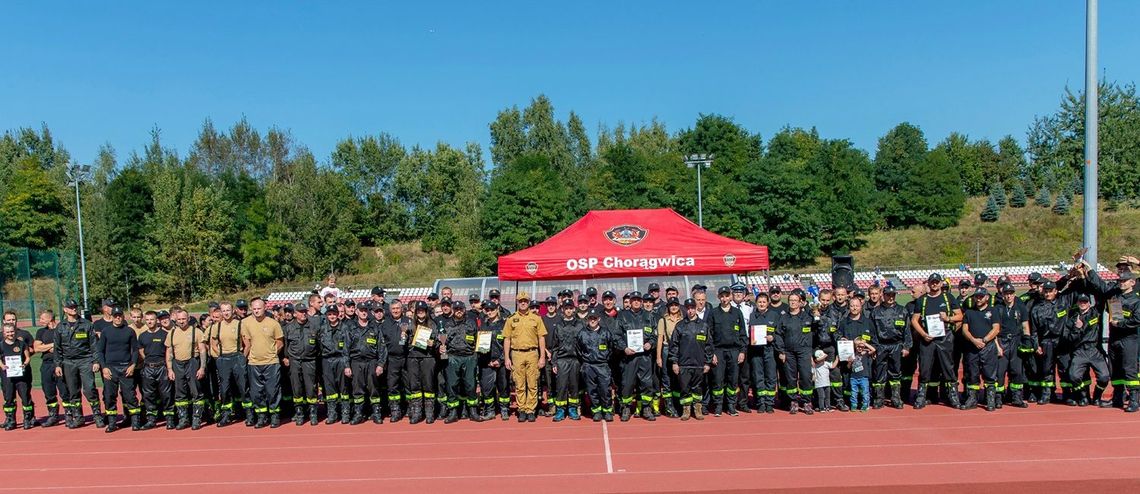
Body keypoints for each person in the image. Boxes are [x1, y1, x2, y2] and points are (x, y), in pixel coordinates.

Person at [1084, 269, 1140, 411]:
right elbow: (1101, 285)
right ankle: (1117, 398)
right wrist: (1089, 270)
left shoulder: (1136, 300)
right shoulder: (1114, 296)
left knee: (1130, 369)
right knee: (1115, 369)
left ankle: (1134, 399)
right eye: (1119, 281)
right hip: (1114, 338)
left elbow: (1137, 319)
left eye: (1124, 281)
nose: (1121, 283)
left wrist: (1121, 323)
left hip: (1129, 339)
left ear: (1132, 282)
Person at [910, 273, 963, 409]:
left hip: (945, 338)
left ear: (940, 283)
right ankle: (921, 396)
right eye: (932, 282)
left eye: (937, 282)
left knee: (948, 367)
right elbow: (914, 320)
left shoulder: (948, 298)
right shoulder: (922, 300)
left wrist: (948, 318)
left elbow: (959, 316)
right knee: (925, 368)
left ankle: (953, 396)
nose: (934, 284)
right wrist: (923, 334)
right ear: (928, 283)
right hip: (927, 339)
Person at [54, 300, 105, 428]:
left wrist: (96, 361)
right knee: (73, 391)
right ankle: (78, 417)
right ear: (65, 309)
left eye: (75, 307)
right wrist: (58, 365)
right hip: (68, 362)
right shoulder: (60, 326)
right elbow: (57, 348)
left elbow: (94, 345)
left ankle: (97, 415)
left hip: (85, 360)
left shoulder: (87, 324)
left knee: (89, 389)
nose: (73, 309)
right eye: (70, 307)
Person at [503, 292, 548, 422]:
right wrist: (507, 357)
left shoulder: (536, 318)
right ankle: (521, 409)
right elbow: (507, 339)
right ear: (517, 302)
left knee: (533, 383)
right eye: (520, 301)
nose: (523, 303)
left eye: (525, 301)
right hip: (516, 354)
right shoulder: (511, 319)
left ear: (529, 302)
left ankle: (530, 409)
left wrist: (542, 357)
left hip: (532, 353)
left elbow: (541, 338)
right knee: (519, 384)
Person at [1063, 293, 1112, 408]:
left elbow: (1101, 298)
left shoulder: (1096, 313)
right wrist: (1077, 328)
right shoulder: (1072, 319)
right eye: (1081, 301)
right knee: (1073, 376)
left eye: (1085, 301)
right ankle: (1083, 396)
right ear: (1077, 303)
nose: (1083, 304)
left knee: (1104, 377)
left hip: (1094, 350)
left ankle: (1096, 397)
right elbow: (1068, 338)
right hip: (1079, 351)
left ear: (1089, 303)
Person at [96, 307, 140, 432]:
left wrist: (133, 365)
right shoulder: (106, 331)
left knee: (130, 396)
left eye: (120, 315)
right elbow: (100, 351)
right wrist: (104, 367)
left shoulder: (129, 331)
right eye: (115, 316)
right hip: (110, 368)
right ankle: (111, 423)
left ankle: (135, 421)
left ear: (123, 316)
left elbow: (135, 350)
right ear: (112, 317)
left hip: (126, 367)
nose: (118, 318)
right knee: (109, 396)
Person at [242, 298, 285, 428]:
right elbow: (246, 343)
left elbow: (280, 342)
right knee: (256, 392)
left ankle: (274, 415)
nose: (256, 311)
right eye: (254, 309)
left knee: (272, 390)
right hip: (254, 363)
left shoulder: (273, 323)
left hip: (271, 362)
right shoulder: (245, 323)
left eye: (259, 308)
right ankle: (261, 416)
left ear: (264, 308)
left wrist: (272, 353)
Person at [616, 291, 657, 421]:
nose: (636, 302)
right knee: (627, 383)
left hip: (645, 357)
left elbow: (655, 335)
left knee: (646, 383)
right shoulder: (622, 316)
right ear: (630, 301)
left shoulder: (649, 316)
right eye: (634, 300)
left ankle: (646, 407)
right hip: (629, 357)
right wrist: (624, 348)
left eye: (639, 300)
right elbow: (616, 336)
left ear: (642, 301)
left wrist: (651, 343)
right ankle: (626, 408)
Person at [669, 299, 713, 421]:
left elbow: (709, 345)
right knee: (685, 388)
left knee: (698, 388)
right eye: (688, 308)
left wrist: (707, 362)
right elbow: (674, 345)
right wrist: (674, 362)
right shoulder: (680, 326)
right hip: (684, 364)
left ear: (696, 308)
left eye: (692, 308)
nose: (690, 310)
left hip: (699, 364)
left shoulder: (704, 325)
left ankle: (698, 409)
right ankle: (686, 410)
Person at [208, 302, 250, 427]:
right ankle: (226, 414)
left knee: (243, 387)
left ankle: (249, 413)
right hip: (223, 359)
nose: (226, 313)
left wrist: (243, 358)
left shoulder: (240, 324)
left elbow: (247, 344)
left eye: (228, 310)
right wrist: (219, 358)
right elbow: (213, 345)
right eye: (223, 310)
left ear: (233, 311)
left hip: (237, 357)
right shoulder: (217, 326)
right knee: (224, 389)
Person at [165, 309, 207, 430]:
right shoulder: (172, 333)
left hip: (192, 362)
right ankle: (183, 419)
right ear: (175, 320)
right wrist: (169, 369)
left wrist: (202, 367)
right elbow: (169, 352)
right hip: (177, 364)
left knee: (196, 392)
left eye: (184, 319)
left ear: (188, 319)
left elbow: (203, 350)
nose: (182, 321)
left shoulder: (197, 332)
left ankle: (197, 418)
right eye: (179, 319)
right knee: (180, 393)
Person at [870, 286, 912, 409]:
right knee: (879, 373)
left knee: (896, 372)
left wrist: (906, 346)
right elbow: (872, 332)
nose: (891, 297)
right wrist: (874, 347)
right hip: (881, 346)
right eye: (888, 295)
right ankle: (879, 398)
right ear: (883, 295)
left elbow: (907, 331)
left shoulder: (902, 311)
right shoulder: (875, 311)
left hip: (896, 345)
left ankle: (895, 397)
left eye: (893, 295)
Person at [707, 286, 746, 417]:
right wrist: (711, 353)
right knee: (718, 379)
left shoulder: (737, 312)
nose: (724, 298)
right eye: (722, 296)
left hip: (734, 350)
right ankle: (718, 406)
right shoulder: (713, 313)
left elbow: (742, 334)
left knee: (733, 380)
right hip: (718, 350)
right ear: (719, 297)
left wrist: (742, 351)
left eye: (727, 295)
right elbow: (709, 335)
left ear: (730, 296)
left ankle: (731, 406)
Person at [776, 290, 816, 414]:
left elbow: (817, 330)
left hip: (804, 352)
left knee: (805, 377)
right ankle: (793, 402)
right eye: (791, 301)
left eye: (795, 301)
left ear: (800, 303)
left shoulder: (808, 317)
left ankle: (807, 402)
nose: (793, 303)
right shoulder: (783, 318)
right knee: (790, 378)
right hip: (788, 352)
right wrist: (781, 351)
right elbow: (778, 335)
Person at [961, 288, 1001, 411]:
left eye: (981, 297)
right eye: (976, 296)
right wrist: (974, 340)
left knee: (990, 375)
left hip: (988, 347)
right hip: (972, 347)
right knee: (972, 375)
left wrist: (984, 340)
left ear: (986, 298)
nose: (978, 299)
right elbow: (964, 330)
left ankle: (990, 400)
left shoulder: (993, 311)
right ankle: (972, 399)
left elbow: (996, 329)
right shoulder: (969, 312)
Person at [994, 284, 1031, 408]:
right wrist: (997, 346)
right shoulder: (998, 309)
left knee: (1016, 371)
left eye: (1010, 293)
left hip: (1016, 340)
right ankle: (998, 397)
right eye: (1006, 293)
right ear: (1002, 294)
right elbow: (994, 329)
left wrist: (1027, 341)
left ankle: (1017, 397)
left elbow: (1025, 326)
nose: (1008, 296)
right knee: (1000, 371)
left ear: (1014, 294)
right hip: (1002, 341)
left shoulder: (1021, 308)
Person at [441, 301, 478, 423]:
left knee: (471, 384)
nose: (458, 310)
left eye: (460, 308)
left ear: (464, 309)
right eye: (456, 308)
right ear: (453, 309)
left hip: (469, 357)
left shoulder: (471, 323)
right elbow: (440, 341)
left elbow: (479, 338)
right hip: (453, 357)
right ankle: (453, 412)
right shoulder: (447, 325)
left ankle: (473, 411)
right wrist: (440, 347)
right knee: (452, 385)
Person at [283, 303, 320, 425]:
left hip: (310, 361)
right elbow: (286, 346)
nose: (303, 314)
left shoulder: (314, 326)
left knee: (311, 388)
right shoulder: (289, 328)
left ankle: (313, 412)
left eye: (305, 311)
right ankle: (299, 412)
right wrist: (286, 357)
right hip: (295, 361)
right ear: (295, 314)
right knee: (297, 387)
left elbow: (319, 346)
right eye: (300, 311)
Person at [578, 308, 617, 422]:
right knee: (591, 390)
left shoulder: (605, 332)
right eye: (591, 318)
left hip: (602, 366)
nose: (593, 320)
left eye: (595, 318)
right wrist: (586, 360)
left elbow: (611, 347)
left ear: (599, 319)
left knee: (605, 389)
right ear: (587, 320)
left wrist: (604, 358)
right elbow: (578, 349)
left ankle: (607, 410)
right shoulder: (582, 333)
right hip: (588, 366)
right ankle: (596, 411)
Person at [137, 310, 172, 429]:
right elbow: (141, 351)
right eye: (147, 320)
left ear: (157, 320)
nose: (149, 322)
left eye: (152, 319)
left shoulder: (164, 334)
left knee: (166, 394)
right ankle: (151, 419)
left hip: (162, 367)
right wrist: (147, 361)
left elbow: (169, 351)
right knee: (148, 395)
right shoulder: (142, 336)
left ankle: (169, 418)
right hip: (148, 368)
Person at [406, 301, 441, 424]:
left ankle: (429, 413)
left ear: (426, 312)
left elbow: (438, 341)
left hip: (428, 357)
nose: (421, 312)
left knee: (428, 384)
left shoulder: (432, 324)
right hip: (413, 358)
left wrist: (433, 344)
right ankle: (417, 412)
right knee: (414, 385)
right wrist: (403, 338)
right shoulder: (410, 324)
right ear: (415, 312)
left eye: (423, 310)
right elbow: (403, 343)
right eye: (418, 310)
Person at [550, 300, 585, 421]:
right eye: (566, 308)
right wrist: (554, 362)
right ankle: (560, 410)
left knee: (574, 386)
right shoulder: (558, 326)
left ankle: (573, 409)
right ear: (562, 310)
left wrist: (583, 361)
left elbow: (583, 344)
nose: (568, 310)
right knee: (561, 386)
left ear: (574, 309)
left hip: (576, 360)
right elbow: (554, 346)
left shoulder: (580, 325)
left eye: (570, 308)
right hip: (562, 360)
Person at [746, 293, 780, 414]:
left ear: (768, 303)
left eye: (764, 302)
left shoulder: (774, 315)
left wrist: (773, 337)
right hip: (756, 351)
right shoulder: (752, 316)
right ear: (756, 303)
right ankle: (761, 403)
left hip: (769, 350)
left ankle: (770, 403)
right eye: (759, 302)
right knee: (758, 377)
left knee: (770, 377)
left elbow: (779, 331)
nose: (761, 304)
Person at [477, 301, 511, 421]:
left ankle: (504, 409)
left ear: (497, 310)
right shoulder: (482, 326)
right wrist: (488, 361)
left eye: (492, 309)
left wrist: (500, 360)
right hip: (487, 363)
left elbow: (509, 344)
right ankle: (490, 410)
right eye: (487, 310)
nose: (489, 312)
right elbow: (480, 346)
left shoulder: (505, 325)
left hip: (501, 363)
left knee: (504, 387)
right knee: (487, 388)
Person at [318, 305, 352, 424]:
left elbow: (347, 347)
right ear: (327, 315)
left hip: (341, 359)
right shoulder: (323, 328)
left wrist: (347, 364)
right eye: (329, 314)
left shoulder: (345, 328)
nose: (332, 316)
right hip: (327, 360)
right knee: (329, 387)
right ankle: (332, 413)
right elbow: (319, 346)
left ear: (338, 314)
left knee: (343, 387)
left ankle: (345, 413)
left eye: (334, 314)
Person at [379, 300, 410, 422]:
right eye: (394, 309)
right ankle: (395, 410)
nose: (396, 310)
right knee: (393, 386)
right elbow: (382, 346)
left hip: (407, 358)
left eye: (398, 308)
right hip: (392, 359)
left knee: (409, 385)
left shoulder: (409, 322)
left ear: (402, 309)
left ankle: (409, 408)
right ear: (390, 310)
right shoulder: (385, 324)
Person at [33, 309, 64, 427]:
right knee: (48, 390)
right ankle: (53, 416)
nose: (40, 321)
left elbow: (65, 346)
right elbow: (37, 348)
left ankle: (70, 414)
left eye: (42, 319)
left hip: (60, 363)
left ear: (50, 319)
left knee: (64, 390)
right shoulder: (41, 332)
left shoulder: (60, 329)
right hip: (46, 364)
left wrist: (45, 347)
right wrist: (53, 345)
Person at [1, 323, 34, 430]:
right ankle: (11, 420)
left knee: (25, 397)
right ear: (4, 333)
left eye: (12, 331)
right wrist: (3, 366)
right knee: (9, 398)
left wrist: (24, 364)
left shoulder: (21, 343)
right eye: (7, 332)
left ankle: (28, 419)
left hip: (21, 376)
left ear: (15, 331)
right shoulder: (1, 345)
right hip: (8, 376)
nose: (10, 334)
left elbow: (28, 357)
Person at [655, 297, 684, 418]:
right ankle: (668, 406)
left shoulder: (683, 320)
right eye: (671, 305)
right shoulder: (663, 320)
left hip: (680, 350)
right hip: (667, 349)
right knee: (666, 379)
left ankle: (677, 404)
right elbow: (660, 339)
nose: (673, 307)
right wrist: (659, 357)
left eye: (676, 305)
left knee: (678, 378)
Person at [848, 340, 875, 411]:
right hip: (853, 377)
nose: (860, 348)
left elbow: (873, 349)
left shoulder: (865, 353)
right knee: (854, 392)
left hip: (863, 377)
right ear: (855, 347)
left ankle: (865, 405)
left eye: (861, 347)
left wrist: (865, 343)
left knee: (865, 392)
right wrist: (850, 362)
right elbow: (848, 367)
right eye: (858, 347)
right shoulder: (852, 354)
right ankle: (854, 405)